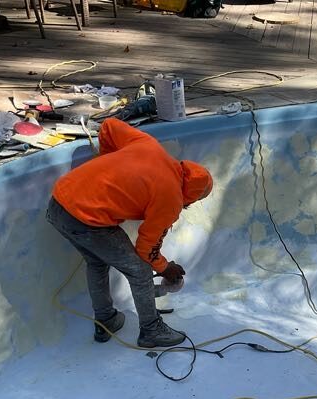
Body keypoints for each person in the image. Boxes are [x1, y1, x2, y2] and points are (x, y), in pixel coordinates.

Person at [47, 118, 213, 348]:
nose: (187, 207)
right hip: (87, 219)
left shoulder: (150, 146)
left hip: (57, 204)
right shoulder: (171, 197)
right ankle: (151, 330)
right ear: (190, 196)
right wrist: (166, 269)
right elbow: (146, 250)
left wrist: (107, 165)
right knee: (140, 270)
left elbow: (109, 126)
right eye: (191, 203)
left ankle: (106, 321)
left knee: (96, 262)